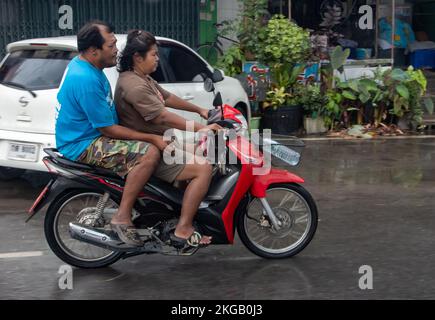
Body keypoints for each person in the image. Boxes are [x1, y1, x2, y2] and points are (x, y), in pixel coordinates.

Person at [55, 21, 168, 247]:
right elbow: (107, 129)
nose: (117, 49)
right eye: (112, 45)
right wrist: (151, 137)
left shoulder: (89, 68)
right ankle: (122, 216)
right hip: (84, 143)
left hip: (86, 135)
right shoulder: (85, 79)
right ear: (93, 50)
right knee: (149, 153)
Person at [115, 30, 221, 249]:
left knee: (202, 150)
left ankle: (177, 211)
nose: (157, 58)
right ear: (137, 57)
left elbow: (168, 98)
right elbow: (162, 115)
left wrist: (200, 110)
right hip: (153, 147)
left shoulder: (140, 78)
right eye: (153, 54)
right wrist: (202, 128)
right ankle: (183, 229)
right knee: (203, 169)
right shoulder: (134, 86)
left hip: (161, 142)